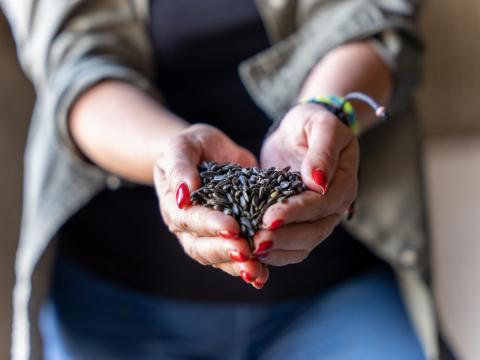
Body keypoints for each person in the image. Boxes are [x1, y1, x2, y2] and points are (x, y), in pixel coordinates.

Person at [2, 0, 440, 359]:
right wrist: (171, 155)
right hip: (114, 298)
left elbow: (379, 20)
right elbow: (72, 65)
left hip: (338, 289)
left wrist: (325, 112)